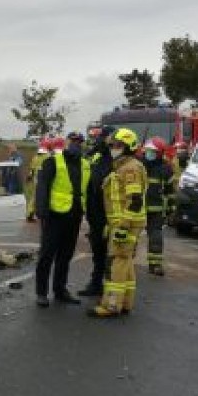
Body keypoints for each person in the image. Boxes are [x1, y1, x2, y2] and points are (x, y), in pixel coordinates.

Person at [88, 128, 148, 318]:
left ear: (129, 147)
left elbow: (135, 200)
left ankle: (111, 305)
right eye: (112, 145)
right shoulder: (122, 166)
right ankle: (125, 302)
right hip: (123, 222)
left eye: (118, 145)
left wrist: (122, 226)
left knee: (117, 262)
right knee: (126, 261)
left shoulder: (129, 168)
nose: (114, 148)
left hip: (126, 223)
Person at [34, 131, 90, 307]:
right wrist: (41, 211)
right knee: (47, 255)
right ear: (66, 143)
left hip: (74, 216)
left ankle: (60, 290)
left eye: (79, 142)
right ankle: (41, 293)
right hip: (54, 216)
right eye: (73, 141)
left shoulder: (85, 164)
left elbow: (89, 190)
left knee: (65, 256)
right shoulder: (52, 162)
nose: (76, 144)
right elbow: (42, 187)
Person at [78, 125, 115, 296]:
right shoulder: (96, 156)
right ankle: (96, 284)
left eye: (103, 137)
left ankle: (111, 287)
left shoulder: (115, 159)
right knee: (98, 251)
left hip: (109, 214)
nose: (99, 140)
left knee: (112, 253)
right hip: (95, 213)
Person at [142, 137, 175, 276]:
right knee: (129, 237)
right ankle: (125, 262)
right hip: (135, 208)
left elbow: (170, 192)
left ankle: (155, 264)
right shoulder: (138, 165)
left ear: (160, 153)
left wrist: (171, 210)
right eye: (148, 151)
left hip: (156, 209)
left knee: (156, 236)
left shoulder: (166, 169)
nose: (150, 154)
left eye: (153, 151)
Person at [25, 137, 50, 222]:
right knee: (41, 197)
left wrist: (29, 177)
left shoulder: (35, 157)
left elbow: (31, 169)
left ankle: (31, 214)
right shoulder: (48, 156)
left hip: (35, 179)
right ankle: (32, 214)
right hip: (43, 180)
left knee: (34, 197)